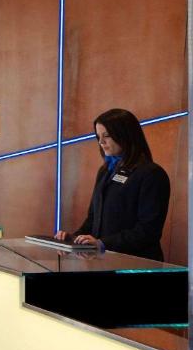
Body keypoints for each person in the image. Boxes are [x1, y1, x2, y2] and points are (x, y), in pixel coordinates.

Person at [55, 108, 170, 260]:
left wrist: (103, 243)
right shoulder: (105, 171)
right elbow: (93, 219)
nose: (101, 142)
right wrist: (73, 239)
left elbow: (148, 230)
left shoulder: (152, 174)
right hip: (104, 261)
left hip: (137, 264)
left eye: (107, 136)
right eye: (98, 137)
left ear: (125, 135)